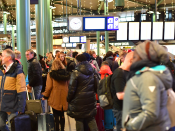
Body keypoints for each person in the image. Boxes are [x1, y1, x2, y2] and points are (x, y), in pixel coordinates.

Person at [122, 41, 172, 131]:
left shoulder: (148, 78)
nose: (133, 59)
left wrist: (130, 125)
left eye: (136, 55)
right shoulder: (145, 75)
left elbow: (150, 112)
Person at [67, 54, 98, 131]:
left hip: (78, 101)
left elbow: (71, 89)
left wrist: (68, 99)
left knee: (79, 119)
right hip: (90, 99)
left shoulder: (75, 73)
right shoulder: (93, 70)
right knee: (91, 118)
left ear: (79, 61)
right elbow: (97, 86)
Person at [0, 49, 26, 131]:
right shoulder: (1, 70)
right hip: (1, 104)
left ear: (8, 58)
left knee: (13, 127)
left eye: (3, 56)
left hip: (12, 105)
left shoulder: (18, 70)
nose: (1, 58)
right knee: (1, 125)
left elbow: (21, 89)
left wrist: (21, 107)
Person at [42, 59, 70, 131]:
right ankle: (62, 129)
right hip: (64, 96)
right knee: (62, 115)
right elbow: (69, 85)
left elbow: (49, 87)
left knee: (56, 115)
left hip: (55, 97)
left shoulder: (51, 74)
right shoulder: (66, 74)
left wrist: (45, 96)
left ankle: (57, 129)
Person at [111, 52, 134, 131]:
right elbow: (120, 95)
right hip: (121, 110)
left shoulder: (129, 72)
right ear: (131, 61)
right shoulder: (119, 74)